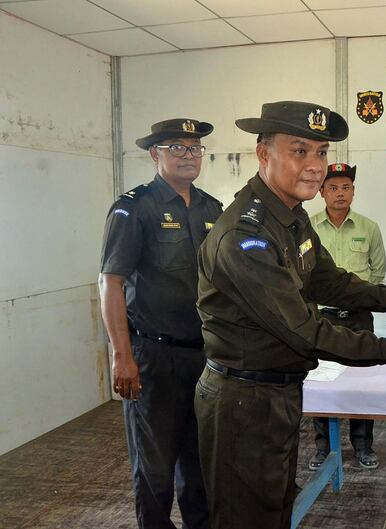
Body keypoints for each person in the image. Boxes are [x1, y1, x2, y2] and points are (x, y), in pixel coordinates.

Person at [193, 101, 386, 529]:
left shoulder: (291, 217)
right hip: (244, 401)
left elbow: (328, 280)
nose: (315, 166)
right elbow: (306, 332)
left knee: (275, 510)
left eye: (321, 152)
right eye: (300, 151)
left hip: (276, 394)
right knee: (246, 517)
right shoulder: (246, 236)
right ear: (264, 154)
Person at [99, 118, 221, 529]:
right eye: (177, 147)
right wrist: (122, 356)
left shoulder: (211, 208)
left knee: (200, 462)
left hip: (204, 357)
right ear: (155, 155)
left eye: (195, 148)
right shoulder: (134, 207)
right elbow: (110, 282)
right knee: (154, 469)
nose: (188, 155)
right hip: (152, 356)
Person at [309, 162, 386, 470]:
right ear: (321, 192)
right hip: (322, 319)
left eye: (345, 188)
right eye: (332, 188)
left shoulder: (369, 228)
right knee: (319, 382)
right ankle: (323, 447)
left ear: (353, 191)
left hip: (358, 319)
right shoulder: (309, 227)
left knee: (361, 383)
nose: (339, 194)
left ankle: (363, 445)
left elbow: (378, 272)